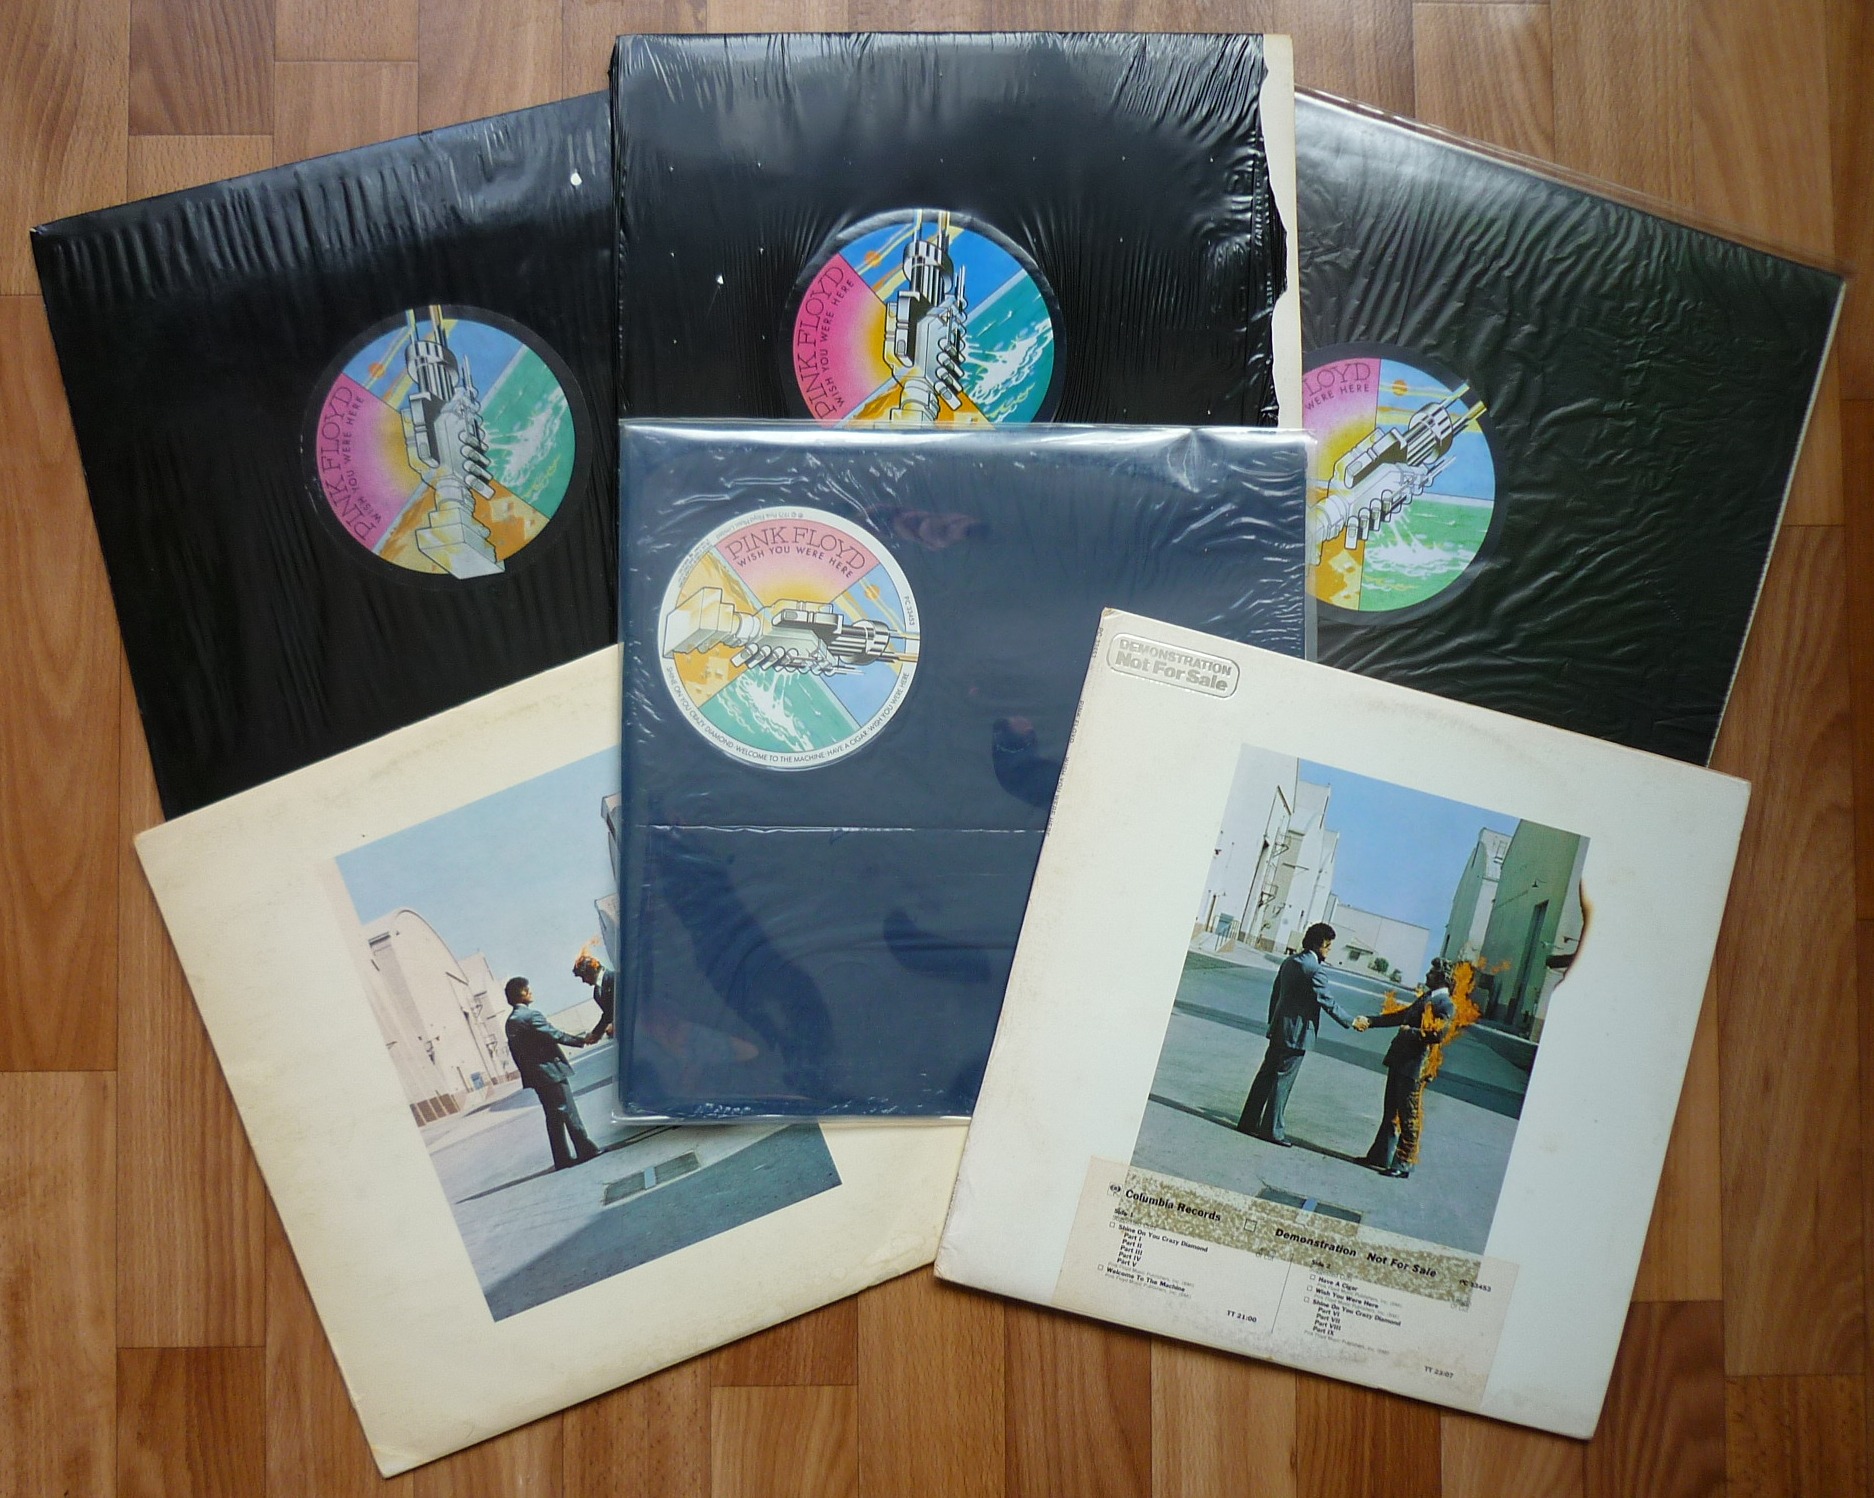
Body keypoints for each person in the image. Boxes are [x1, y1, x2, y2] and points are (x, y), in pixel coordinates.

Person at [1236, 922, 1357, 1146]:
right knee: (1283, 1082)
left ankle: (1248, 1122)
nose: (1329, 950)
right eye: (1328, 946)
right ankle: (1272, 1130)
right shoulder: (1315, 970)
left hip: (1279, 1029)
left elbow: (1276, 994)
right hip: (1297, 1034)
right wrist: (1351, 1021)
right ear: (1318, 945)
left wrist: (1273, 1023)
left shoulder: (1289, 962)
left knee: (1265, 1076)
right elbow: (1327, 1001)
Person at [1356, 959, 1460, 1179]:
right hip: (1400, 1061)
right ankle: (1380, 1156)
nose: (1428, 974)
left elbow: (1438, 1034)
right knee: (1391, 1112)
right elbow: (1400, 1016)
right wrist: (1371, 1021)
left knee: (1408, 1116)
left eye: (1432, 972)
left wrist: (1408, 1032)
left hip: (1415, 1067)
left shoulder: (1446, 1004)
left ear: (1442, 977)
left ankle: (1404, 1162)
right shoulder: (1427, 997)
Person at [504, 976, 600, 1171]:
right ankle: (585, 1149)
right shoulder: (530, 1016)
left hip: (536, 1077)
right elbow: (553, 1034)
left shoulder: (510, 1022)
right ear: (521, 994)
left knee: (553, 1116)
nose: (531, 992)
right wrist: (581, 1040)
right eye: (527, 989)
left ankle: (562, 1158)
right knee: (567, 1110)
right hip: (550, 1072)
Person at [573, 952, 615, 1045]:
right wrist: (596, 1034)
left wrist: (596, 1033)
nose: (584, 981)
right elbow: (608, 1015)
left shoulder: (614, 978)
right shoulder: (597, 994)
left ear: (591, 971)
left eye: (583, 976)